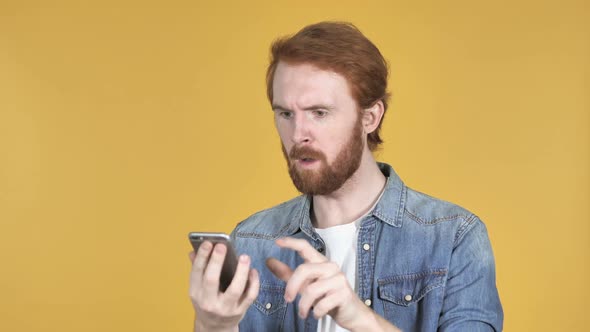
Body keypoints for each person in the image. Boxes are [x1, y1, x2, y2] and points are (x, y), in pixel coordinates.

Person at [188, 21, 503, 332]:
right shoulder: (252, 241)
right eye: (285, 114)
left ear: (370, 117)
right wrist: (213, 325)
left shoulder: (453, 239)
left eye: (319, 113)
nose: (299, 135)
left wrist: (361, 320)